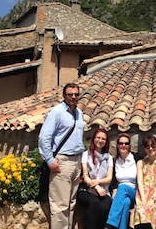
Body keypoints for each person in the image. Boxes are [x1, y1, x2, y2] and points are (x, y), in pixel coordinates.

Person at [38, 83, 85, 229]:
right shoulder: (57, 112)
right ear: (64, 96)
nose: (73, 97)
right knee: (60, 206)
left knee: (71, 204)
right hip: (62, 161)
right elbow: (44, 137)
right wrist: (50, 160)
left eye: (76, 94)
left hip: (76, 161)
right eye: (70, 94)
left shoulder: (79, 113)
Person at [77, 128, 114, 229]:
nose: (100, 141)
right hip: (87, 190)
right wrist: (97, 187)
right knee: (94, 202)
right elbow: (85, 176)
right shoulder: (85, 155)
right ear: (93, 139)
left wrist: (97, 182)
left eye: (103, 139)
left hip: (104, 191)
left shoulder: (108, 158)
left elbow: (109, 178)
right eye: (98, 138)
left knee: (105, 206)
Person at [105, 133, 140, 229]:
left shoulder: (136, 159)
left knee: (123, 187)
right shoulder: (114, 161)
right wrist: (115, 188)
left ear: (129, 145)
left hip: (134, 193)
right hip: (120, 196)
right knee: (126, 202)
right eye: (121, 143)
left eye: (126, 143)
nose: (123, 146)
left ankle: (111, 223)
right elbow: (113, 181)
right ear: (117, 145)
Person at [135, 135, 156, 229]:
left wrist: (153, 199)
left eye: (153, 146)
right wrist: (144, 199)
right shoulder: (140, 163)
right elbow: (140, 182)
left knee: (153, 208)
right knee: (141, 208)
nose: (150, 148)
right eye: (147, 146)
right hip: (144, 194)